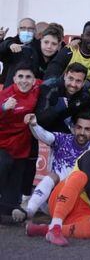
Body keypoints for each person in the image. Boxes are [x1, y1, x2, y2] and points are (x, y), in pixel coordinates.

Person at [23, 112, 90, 219]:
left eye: (87, 129)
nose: (82, 132)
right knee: (53, 176)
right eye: (79, 127)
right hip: (52, 201)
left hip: (77, 204)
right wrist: (34, 125)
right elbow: (44, 136)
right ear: (73, 128)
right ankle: (29, 211)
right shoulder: (62, 139)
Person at [0, 63, 41, 220]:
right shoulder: (5, 95)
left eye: (28, 77)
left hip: (21, 148)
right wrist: (3, 108)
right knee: (3, 166)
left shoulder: (37, 89)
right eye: (21, 77)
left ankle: (12, 208)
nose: (24, 81)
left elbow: (55, 82)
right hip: (2, 146)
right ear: (14, 78)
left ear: (34, 80)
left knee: (9, 207)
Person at [45, 21, 90, 92]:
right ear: (82, 36)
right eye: (88, 35)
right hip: (66, 96)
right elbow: (52, 72)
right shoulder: (69, 50)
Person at [36, 63, 90, 134]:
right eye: (71, 78)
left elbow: (85, 119)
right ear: (65, 76)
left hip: (60, 125)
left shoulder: (84, 95)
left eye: (78, 81)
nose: (73, 84)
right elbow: (39, 120)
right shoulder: (49, 87)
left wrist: (88, 135)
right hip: (39, 130)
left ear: (83, 83)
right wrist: (56, 108)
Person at [0, 18, 37, 86]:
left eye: (30, 28)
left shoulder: (38, 46)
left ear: (35, 31)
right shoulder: (11, 41)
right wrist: (6, 43)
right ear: (18, 30)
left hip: (30, 88)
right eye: (23, 28)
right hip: (9, 88)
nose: (26, 31)